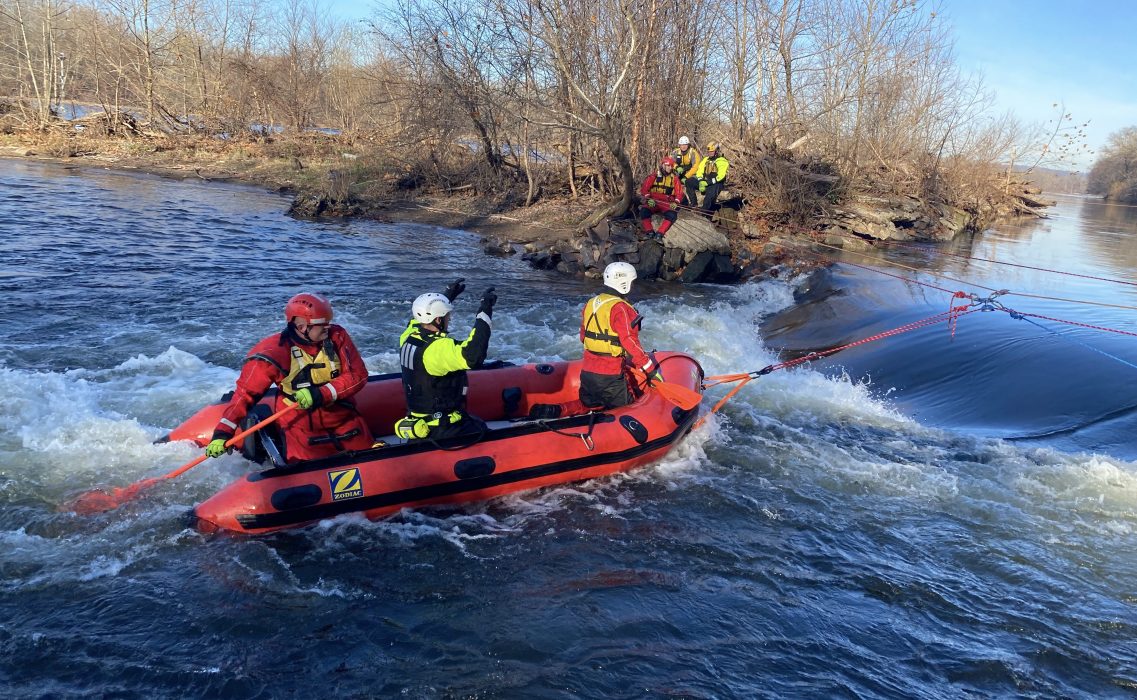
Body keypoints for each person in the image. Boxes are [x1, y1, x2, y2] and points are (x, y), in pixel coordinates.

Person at [206, 293, 375, 463]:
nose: (327, 328)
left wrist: (321, 393)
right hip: (301, 428)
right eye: (322, 324)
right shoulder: (272, 353)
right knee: (309, 473)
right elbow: (244, 395)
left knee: (373, 463)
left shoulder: (337, 336)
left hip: (345, 420)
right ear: (302, 327)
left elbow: (358, 375)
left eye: (328, 322)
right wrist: (222, 432)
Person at [396, 279, 497, 441]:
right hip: (445, 430)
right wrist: (485, 310)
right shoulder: (437, 349)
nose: (449, 319)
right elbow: (473, 356)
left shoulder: (408, 336)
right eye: (447, 316)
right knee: (487, 434)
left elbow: (419, 319)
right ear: (438, 320)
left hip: (421, 421)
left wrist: (447, 296)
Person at [578, 262, 662, 410]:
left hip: (587, 374)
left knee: (590, 409)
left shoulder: (591, 303)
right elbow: (629, 342)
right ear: (624, 284)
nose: (634, 286)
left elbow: (583, 337)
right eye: (632, 282)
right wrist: (651, 371)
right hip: (610, 377)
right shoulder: (621, 308)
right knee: (628, 411)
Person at [637, 156, 683, 241]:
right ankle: (649, 232)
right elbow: (644, 189)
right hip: (653, 201)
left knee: (672, 215)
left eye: (671, 166)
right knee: (644, 211)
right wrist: (648, 198)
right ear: (663, 165)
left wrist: (676, 202)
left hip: (667, 202)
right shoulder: (653, 176)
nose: (670, 168)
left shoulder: (675, 179)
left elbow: (679, 193)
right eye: (668, 166)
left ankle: (660, 234)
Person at [684, 141, 730, 214]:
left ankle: (704, 212)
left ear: (716, 151)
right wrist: (701, 181)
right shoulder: (706, 160)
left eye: (712, 151)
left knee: (709, 195)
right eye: (709, 151)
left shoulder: (722, 161)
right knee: (689, 182)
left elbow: (721, 176)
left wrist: (708, 183)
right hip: (705, 181)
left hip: (716, 183)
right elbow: (699, 171)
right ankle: (694, 204)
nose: (710, 153)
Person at [671, 136, 702, 204]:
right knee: (672, 182)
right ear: (679, 145)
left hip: (691, 173)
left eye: (685, 144)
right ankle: (683, 202)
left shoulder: (693, 153)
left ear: (688, 145)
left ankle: (694, 204)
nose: (683, 146)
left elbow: (696, 167)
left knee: (689, 183)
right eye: (681, 145)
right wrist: (676, 167)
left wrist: (686, 177)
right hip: (679, 173)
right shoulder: (676, 152)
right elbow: (670, 162)